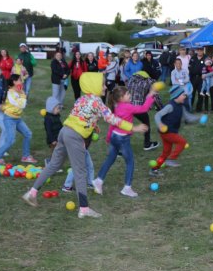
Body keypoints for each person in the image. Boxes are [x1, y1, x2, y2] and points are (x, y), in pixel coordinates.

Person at [22, 73, 147, 218]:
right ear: (94, 86)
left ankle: (31, 193)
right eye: (102, 84)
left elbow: (80, 115)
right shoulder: (97, 102)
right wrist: (134, 128)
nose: (105, 87)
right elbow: (113, 119)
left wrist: (93, 125)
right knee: (80, 171)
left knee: (54, 165)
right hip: (74, 136)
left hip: (64, 132)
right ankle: (84, 209)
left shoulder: (82, 99)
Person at [93, 85, 158, 197]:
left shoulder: (117, 106)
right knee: (130, 162)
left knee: (110, 158)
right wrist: (150, 96)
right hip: (122, 139)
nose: (130, 95)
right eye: (128, 94)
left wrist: (109, 138)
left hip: (114, 137)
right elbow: (143, 109)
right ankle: (127, 188)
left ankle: (98, 180)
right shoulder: (127, 107)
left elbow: (113, 124)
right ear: (121, 98)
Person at [150, 85, 200, 174]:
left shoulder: (181, 106)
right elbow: (157, 115)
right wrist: (160, 124)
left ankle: (154, 169)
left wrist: (198, 118)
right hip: (167, 132)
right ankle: (172, 159)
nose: (185, 96)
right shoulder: (170, 106)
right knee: (182, 142)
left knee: (165, 152)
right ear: (177, 96)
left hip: (170, 131)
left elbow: (188, 118)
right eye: (183, 94)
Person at [0, 74, 36, 164]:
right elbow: (22, 105)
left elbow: (21, 103)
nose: (22, 82)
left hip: (17, 118)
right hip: (9, 119)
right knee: (11, 140)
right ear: (14, 82)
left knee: (28, 134)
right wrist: (23, 95)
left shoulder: (18, 91)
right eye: (20, 80)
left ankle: (26, 156)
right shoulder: (10, 93)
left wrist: (21, 94)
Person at [127, 71, 161, 150]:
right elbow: (155, 96)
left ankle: (119, 149)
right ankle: (147, 143)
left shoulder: (131, 79)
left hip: (127, 106)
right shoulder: (149, 81)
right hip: (138, 107)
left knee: (125, 125)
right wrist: (160, 108)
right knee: (146, 121)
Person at [43, 96, 63, 163]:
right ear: (51, 108)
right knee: (55, 153)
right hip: (53, 140)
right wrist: (52, 140)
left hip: (58, 138)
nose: (59, 110)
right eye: (57, 109)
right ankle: (49, 162)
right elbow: (48, 131)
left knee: (58, 153)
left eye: (59, 109)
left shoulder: (56, 116)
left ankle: (55, 164)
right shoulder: (48, 118)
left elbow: (60, 125)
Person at [189, 47, 206, 112]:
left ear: (203, 51)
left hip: (201, 78)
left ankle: (199, 108)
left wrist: (205, 74)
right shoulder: (193, 58)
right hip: (193, 78)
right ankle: (190, 107)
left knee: (200, 94)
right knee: (191, 94)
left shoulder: (206, 58)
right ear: (196, 51)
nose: (199, 52)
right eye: (198, 50)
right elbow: (189, 67)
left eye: (201, 50)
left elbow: (210, 67)